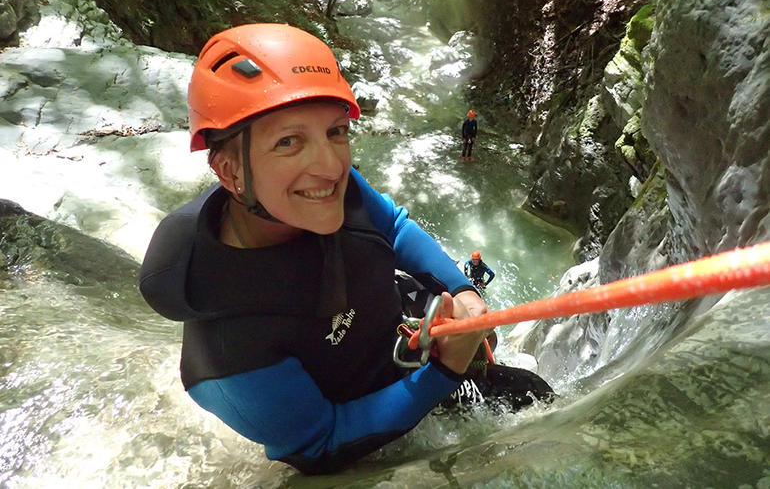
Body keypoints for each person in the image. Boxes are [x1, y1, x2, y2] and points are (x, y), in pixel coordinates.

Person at [139, 23, 551, 475]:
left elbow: (392, 227)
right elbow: (323, 442)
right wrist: (442, 373)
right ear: (230, 171)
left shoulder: (329, 191)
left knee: (531, 392)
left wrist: (463, 291)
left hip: (397, 343)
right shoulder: (230, 346)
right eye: (289, 142)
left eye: (335, 131)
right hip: (373, 411)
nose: (332, 166)